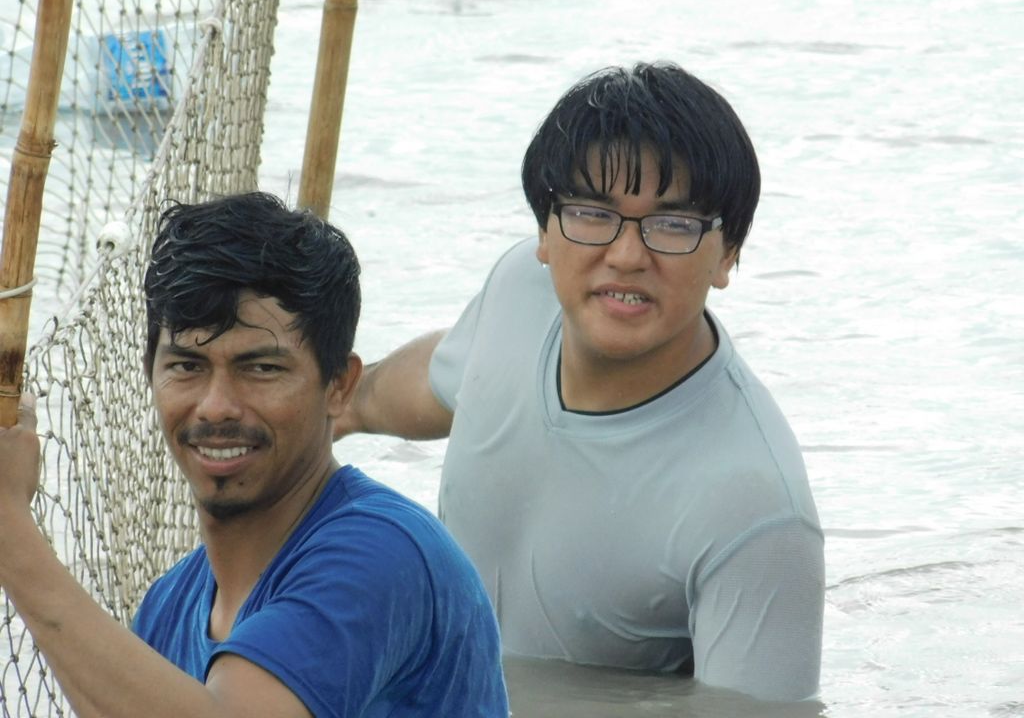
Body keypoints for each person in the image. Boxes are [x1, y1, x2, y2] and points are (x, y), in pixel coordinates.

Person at [336, 62, 825, 702]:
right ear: (544, 231)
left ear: (728, 252)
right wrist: (330, 408)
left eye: (673, 224)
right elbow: (436, 379)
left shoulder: (757, 510)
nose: (626, 255)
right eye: (593, 214)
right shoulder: (520, 289)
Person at [0, 192, 509, 717]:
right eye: (187, 366)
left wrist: (10, 529)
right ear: (150, 372)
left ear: (339, 385)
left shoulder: (383, 556)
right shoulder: (167, 607)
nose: (216, 406)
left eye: (262, 369)